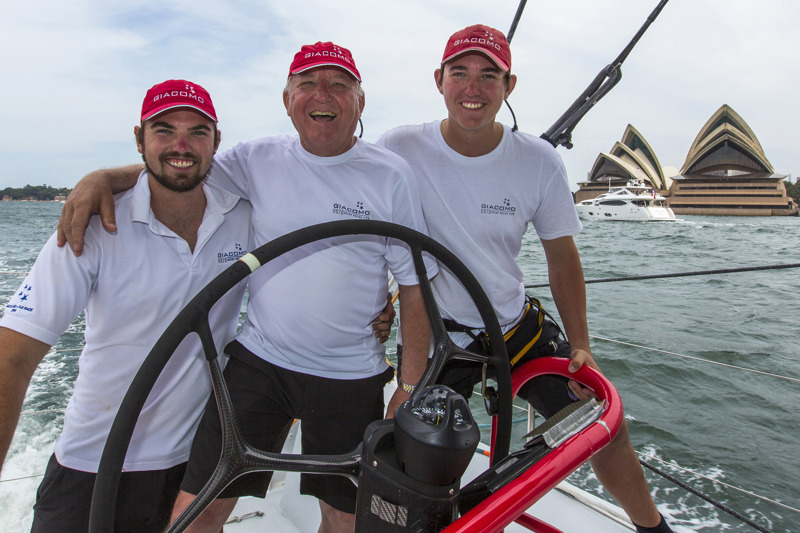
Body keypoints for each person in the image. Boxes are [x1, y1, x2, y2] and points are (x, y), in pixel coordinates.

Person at [54, 42, 435, 533]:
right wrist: (101, 178)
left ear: (360, 100)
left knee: (345, 520)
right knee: (198, 508)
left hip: (351, 372)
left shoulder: (392, 176)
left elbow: (416, 285)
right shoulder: (256, 159)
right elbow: (181, 167)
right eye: (307, 83)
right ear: (286, 99)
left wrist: (408, 386)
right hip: (259, 363)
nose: (323, 94)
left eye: (339, 84)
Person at [376, 24, 673, 533]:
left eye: (489, 76)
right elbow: (378, 238)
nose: (474, 88)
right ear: (439, 80)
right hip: (432, 333)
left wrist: (581, 343)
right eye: (460, 73)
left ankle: (652, 528)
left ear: (508, 87)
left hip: (513, 326)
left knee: (602, 420)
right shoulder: (400, 147)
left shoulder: (538, 160)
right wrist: (380, 302)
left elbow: (562, 258)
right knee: (402, 449)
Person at [0, 79, 252, 532]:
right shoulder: (93, 227)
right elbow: (12, 358)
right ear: (139, 139)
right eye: (163, 129)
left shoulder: (244, 216)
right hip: (92, 465)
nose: (182, 144)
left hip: (195, 466)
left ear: (217, 141)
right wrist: (101, 178)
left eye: (197, 131)